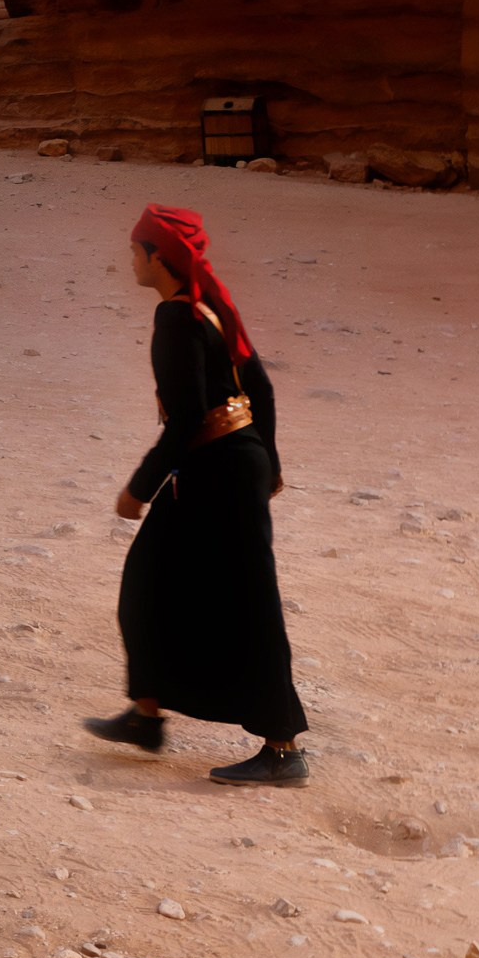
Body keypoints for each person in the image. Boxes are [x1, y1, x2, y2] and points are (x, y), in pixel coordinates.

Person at [83, 202, 310, 785]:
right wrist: (271, 460)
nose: (130, 260)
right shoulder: (211, 308)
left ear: (158, 256)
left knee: (250, 604)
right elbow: (258, 385)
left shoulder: (178, 318)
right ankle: (146, 714)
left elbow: (184, 421)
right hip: (232, 465)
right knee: (150, 581)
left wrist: (138, 488)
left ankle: (282, 749)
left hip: (220, 473)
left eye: (136, 251)